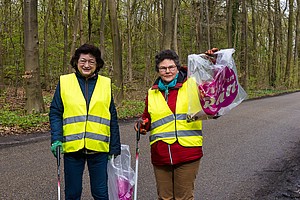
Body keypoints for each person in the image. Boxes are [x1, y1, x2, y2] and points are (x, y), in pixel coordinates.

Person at [134, 48, 217, 200]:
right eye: (163, 68)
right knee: (164, 198)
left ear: (178, 67)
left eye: (171, 67)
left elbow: (214, 91)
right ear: (158, 70)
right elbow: (147, 118)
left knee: (183, 198)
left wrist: (213, 61)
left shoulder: (193, 83)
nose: (168, 71)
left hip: (187, 151)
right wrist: (142, 124)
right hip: (161, 154)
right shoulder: (152, 92)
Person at [49, 43, 121, 200]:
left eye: (91, 61)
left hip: (99, 148)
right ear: (76, 62)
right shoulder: (65, 82)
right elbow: (55, 112)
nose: (86, 65)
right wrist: (56, 139)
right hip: (73, 148)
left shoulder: (105, 84)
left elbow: (112, 117)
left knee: (101, 193)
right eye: (83, 61)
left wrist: (114, 147)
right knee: (73, 193)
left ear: (97, 64)